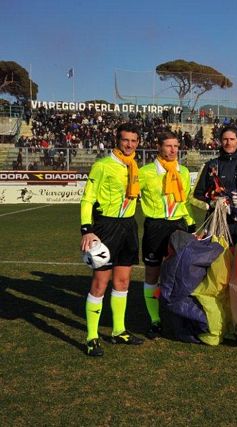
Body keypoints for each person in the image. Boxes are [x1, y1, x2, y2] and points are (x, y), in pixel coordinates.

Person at [80, 123, 144, 357]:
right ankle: (92, 337)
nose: (129, 145)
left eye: (134, 140)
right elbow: (87, 199)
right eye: (126, 140)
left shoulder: (136, 166)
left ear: (138, 142)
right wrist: (86, 229)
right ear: (117, 140)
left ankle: (119, 331)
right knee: (100, 283)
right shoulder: (102, 166)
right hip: (105, 227)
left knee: (123, 282)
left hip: (128, 226)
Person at [139, 130, 196, 339]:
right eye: (169, 146)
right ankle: (155, 320)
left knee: (180, 274)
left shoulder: (183, 171)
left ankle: (180, 316)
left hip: (178, 226)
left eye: (176, 146)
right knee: (152, 275)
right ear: (159, 147)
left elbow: (186, 201)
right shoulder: (144, 172)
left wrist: (191, 223)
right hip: (155, 227)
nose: (173, 150)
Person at [193, 125, 237, 245]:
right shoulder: (210, 166)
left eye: (232, 139)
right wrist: (212, 203)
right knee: (217, 261)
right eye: (225, 139)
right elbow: (195, 195)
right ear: (220, 141)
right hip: (217, 223)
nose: (228, 143)